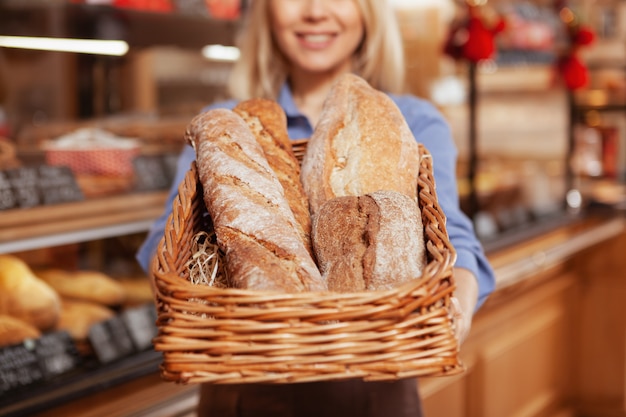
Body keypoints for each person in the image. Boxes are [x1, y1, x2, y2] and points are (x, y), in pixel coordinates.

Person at [136, 0, 496, 415]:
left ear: (368, 12)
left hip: (373, 391)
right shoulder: (225, 123)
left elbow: (454, 241)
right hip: (243, 392)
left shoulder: (413, 120)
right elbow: (166, 246)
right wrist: (206, 318)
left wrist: (450, 310)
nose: (315, 11)